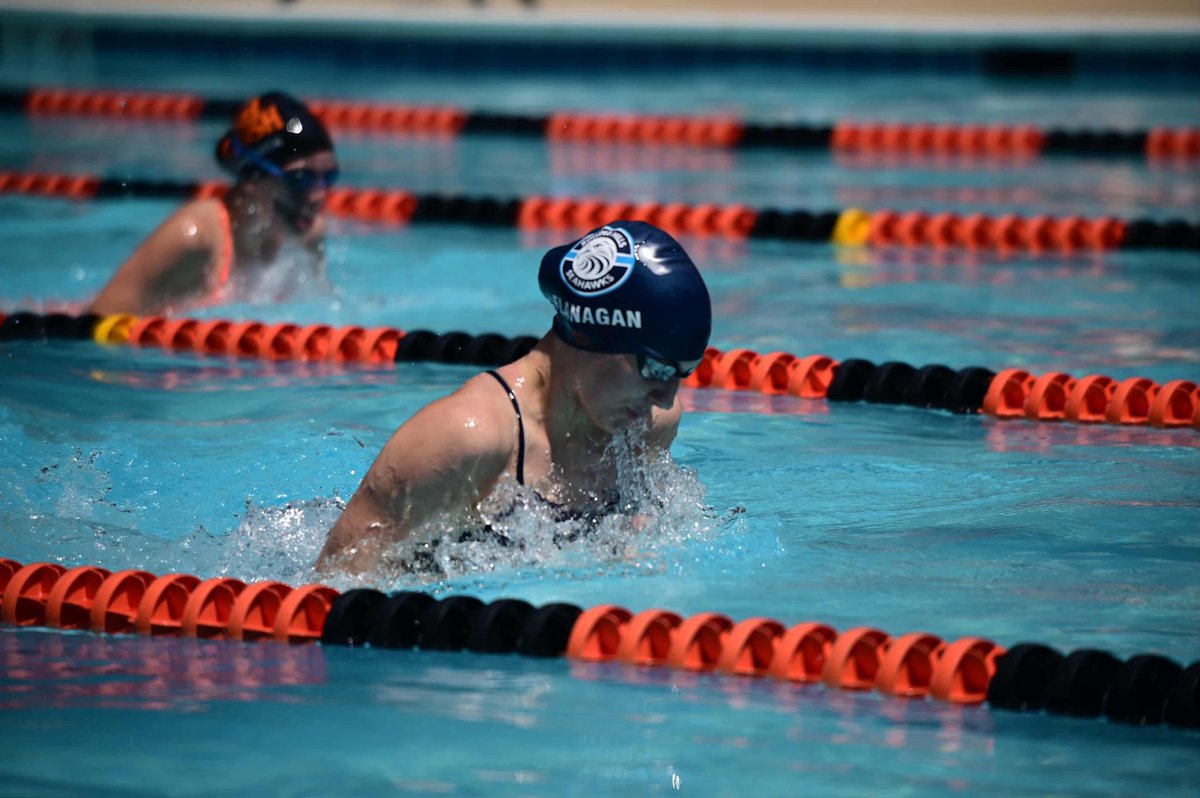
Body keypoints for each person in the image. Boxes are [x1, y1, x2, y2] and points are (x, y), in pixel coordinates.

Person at [317, 220, 712, 576]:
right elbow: (336, 588)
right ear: (594, 334)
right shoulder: (466, 439)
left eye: (684, 372)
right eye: (657, 369)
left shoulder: (649, 426)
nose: (665, 398)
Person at [87, 91, 338, 316]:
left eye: (328, 176)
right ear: (252, 177)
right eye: (300, 178)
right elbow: (93, 325)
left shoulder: (309, 235)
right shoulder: (195, 237)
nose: (318, 194)